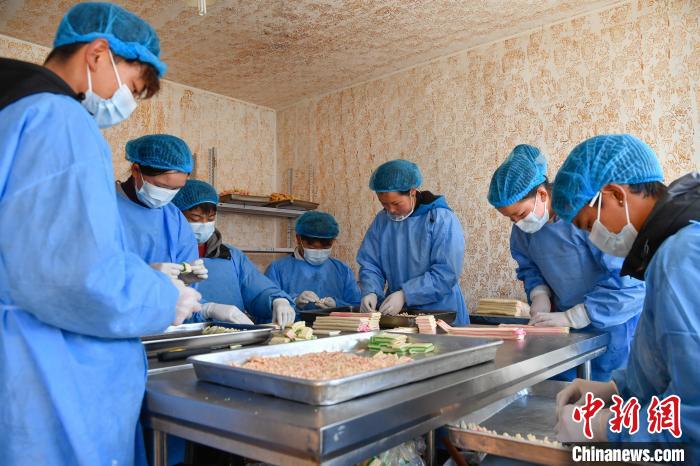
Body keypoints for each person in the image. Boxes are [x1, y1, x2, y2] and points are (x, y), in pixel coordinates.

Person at [0, 3, 201, 465]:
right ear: (97, 54)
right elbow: (74, 274)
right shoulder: (58, 118)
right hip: (46, 375)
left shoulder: (12, 109)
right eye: (131, 86)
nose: (125, 102)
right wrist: (160, 296)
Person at [551, 134, 700, 455]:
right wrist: (616, 389)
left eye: (588, 225)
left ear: (616, 195)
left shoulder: (678, 257)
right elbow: (665, 364)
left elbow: (694, 417)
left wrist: (605, 427)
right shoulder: (671, 246)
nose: (593, 237)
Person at [487, 144, 645, 381]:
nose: (517, 222)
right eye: (510, 218)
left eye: (520, 214)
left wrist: (577, 316)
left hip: (614, 327)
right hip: (564, 332)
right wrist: (540, 295)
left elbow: (629, 284)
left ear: (542, 195)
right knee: (563, 393)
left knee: (607, 395)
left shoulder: (585, 216)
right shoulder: (522, 231)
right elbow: (530, 268)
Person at [117, 134, 263, 325]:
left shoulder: (174, 218)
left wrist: (186, 284)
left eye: (176, 189)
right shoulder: (100, 207)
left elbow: (182, 299)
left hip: (161, 330)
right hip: (108, 329)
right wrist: (143, 275)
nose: (166, 195)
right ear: (136, 170)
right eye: (161, 186)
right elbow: (87, 276)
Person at [356, 159, 469, 324]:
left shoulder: (441, 219)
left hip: (441, 314)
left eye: (396, 203)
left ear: (412, 192)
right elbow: (371, 264)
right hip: (399, 315)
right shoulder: (382, 221)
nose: (391, 210)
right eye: (384, 204)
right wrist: (371, 291)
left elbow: (446, 273)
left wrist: (406, 294)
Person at [173, 179, 297, 327]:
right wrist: (207, 310)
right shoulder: (164, 255)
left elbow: (256, 289)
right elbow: (159, 303)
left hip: (234, 337)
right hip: (183, 338)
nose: (204, 224)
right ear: (175, 215)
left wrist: (277, 300)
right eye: (196, 218)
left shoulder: (230, 255)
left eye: (210, 218)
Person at [266, 211, 361, 310]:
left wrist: (337, 305)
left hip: (333, 321)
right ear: (298, 239)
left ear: (334, 241)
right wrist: (293, 301)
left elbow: (356, 307)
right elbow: (265, 309)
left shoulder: (342, 271)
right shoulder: (277, 269)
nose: (319, 252)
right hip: (293, 321)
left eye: (325, 247)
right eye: (312, 247)